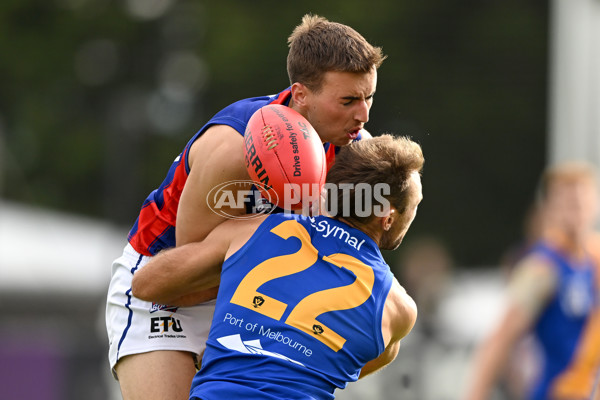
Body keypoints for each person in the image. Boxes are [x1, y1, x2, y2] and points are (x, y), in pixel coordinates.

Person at [105, 14, 386, 400]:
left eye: (369, 97)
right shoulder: (233, 151)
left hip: (254, 292)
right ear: (301, 94)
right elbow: (180, 281)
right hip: (167, 289)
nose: (364, 115)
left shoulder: (353, 150)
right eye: (349, 100)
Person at [131, 134, 423, 399]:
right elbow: (354, 363)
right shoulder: (396, 310)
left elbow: (146, 285)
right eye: (415, 206)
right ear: (387, 217)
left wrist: (236, 282)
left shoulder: (255, 229)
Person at [463, 161, 600, 400]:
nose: (576, 209)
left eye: (581, 200)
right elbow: (499, 341)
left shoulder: (595, 258)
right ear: (550, 208)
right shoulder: (542, 268)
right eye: (568, 202)